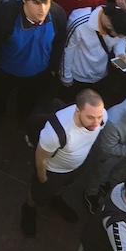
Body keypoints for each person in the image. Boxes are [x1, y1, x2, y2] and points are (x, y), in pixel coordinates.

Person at [20, 87, 106, 236]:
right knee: (38, 193)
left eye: (99, 117)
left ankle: (55, 198)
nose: (97, 122)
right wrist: (43, 179)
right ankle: (29, 208)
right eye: (91, 117)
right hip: (53, 171)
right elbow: (41, 157)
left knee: (63, 185)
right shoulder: (55, 132)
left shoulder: (102, 116)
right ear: (77, 111)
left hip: (75, 167)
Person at [0, 0, 67, 121]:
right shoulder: (3, 16)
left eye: (47, 2)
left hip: (38, 74)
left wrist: (53, 68)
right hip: (6, 72)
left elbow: (59, 43)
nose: (43, 9)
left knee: (27, 104)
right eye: (37, 3)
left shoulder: (57, 15)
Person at [59, 2, 126, 91]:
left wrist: (120, 53)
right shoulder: (79, 23)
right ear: (109, 25)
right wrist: (66, 77)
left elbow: (121, 39)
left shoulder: (117, 18)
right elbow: (67, 50)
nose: (119, 38)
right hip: (78, 78)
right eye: (117, 35)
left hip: (101, 75)